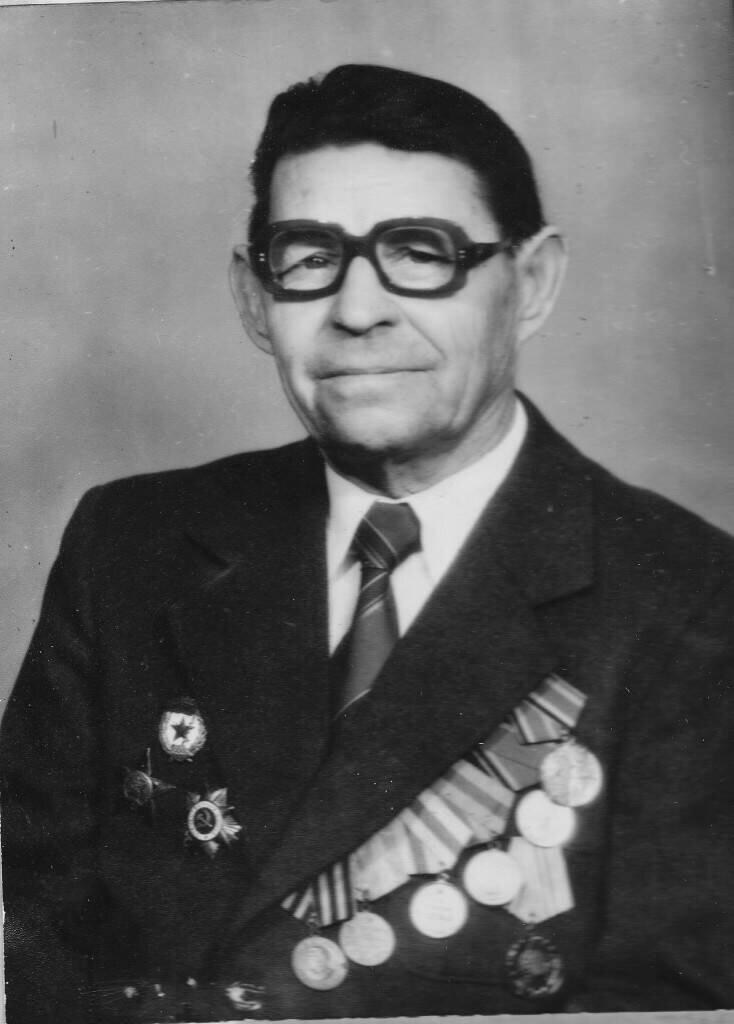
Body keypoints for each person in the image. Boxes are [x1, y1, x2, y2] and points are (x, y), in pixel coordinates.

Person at [2, 63, 733, 1024]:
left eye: (420, 253)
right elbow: (23, 945)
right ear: (253, 296)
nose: (356, 311)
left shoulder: (691, 600)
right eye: (309, 256)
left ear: (533, 282)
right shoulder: (132, 545)